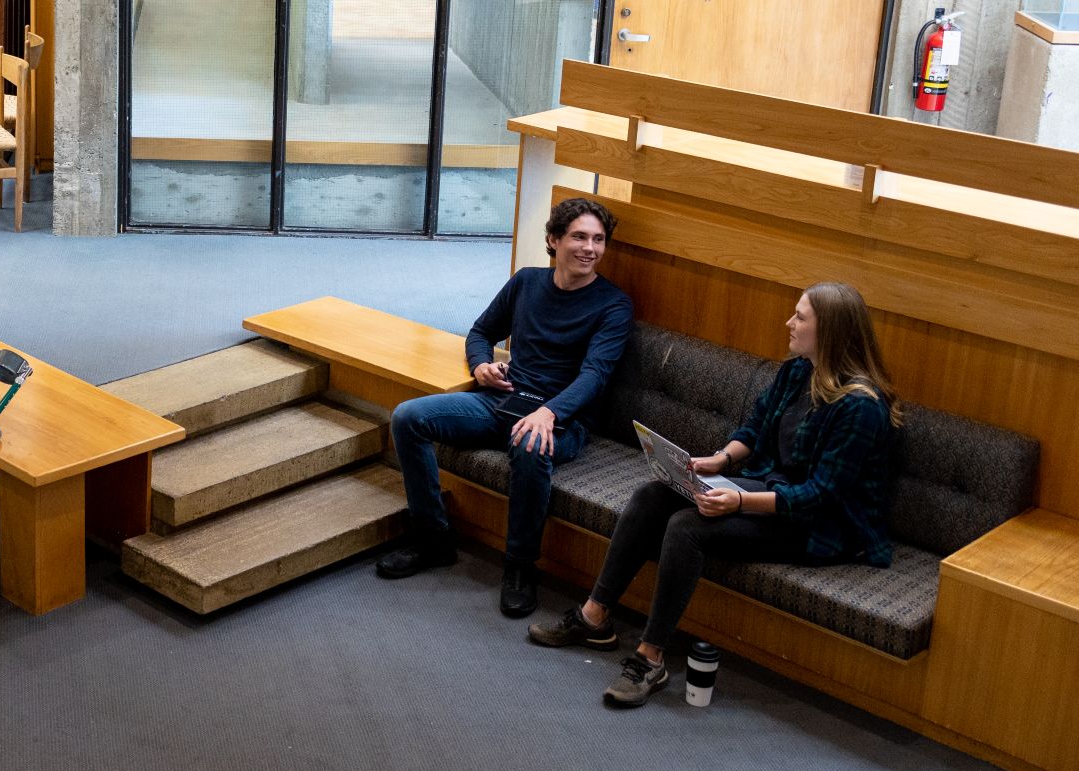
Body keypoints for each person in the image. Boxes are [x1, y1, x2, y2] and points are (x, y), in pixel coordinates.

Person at [527, 281, 899, 707]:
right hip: (774, 490)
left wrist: (738, 501)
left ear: (830, 331)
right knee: (654, 494)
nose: (788, 323)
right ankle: (594, 617)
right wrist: (717, 462)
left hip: (823, 527)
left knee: (688, 527)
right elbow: (755, 429)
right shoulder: (799, 370)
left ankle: (650, 658)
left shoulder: (861, 407)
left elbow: (820, 496)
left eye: (800, 317)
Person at [376, 196, 634, 618]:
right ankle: (432, 540)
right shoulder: (527, 282)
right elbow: (480, 331)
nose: (590, 248)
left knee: (532, 446)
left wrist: (549, 413)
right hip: (503, 399)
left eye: (599, 240)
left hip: (563, 420)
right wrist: (480, 367)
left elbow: (595, 376)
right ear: (553, 240)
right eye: (580, 237)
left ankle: (519, 565)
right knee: (409, 417)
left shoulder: (613, 305)